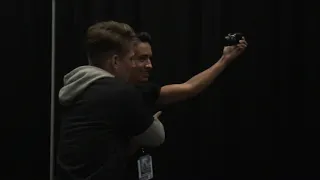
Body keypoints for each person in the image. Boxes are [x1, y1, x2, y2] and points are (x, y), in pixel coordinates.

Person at [126, 31, 248, 179]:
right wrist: (144, 133)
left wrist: (225, 59)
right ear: (120, 59)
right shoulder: (103, 95)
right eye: (142, 59)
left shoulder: (144, 91)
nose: (149, 65)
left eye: (150, 58)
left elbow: (190, 88)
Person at [56, 21, 165, 180]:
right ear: (115, 61)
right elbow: (157, 137)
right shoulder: (119, 92)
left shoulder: (76, 89)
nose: (132, 65)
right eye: (130, 58)